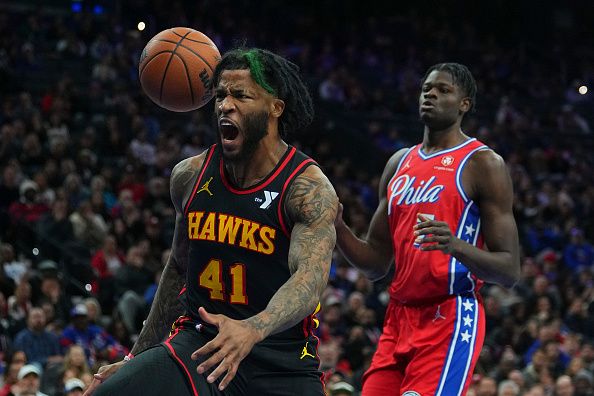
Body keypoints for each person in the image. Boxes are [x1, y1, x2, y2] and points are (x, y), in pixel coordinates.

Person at [85, 47, 338, 395]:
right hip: (201, 344)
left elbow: (308, 282)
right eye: (220, 95)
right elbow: (177, 268)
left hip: (281, 360)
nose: (225, 105)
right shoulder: (189, 176)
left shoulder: (306, 188)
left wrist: (251, 328)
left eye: (241, 95)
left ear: (275, 108)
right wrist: (135, 358)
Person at [334, 63, 520, 395]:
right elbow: (376, 264)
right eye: (426, 89)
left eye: (443, 90)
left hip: (449, 314)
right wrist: (336, 226)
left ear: (464, 104)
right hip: (398, 317)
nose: (430, 94)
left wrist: (455, 246)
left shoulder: (482, 163)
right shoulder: (399, 163)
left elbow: (508, 269)